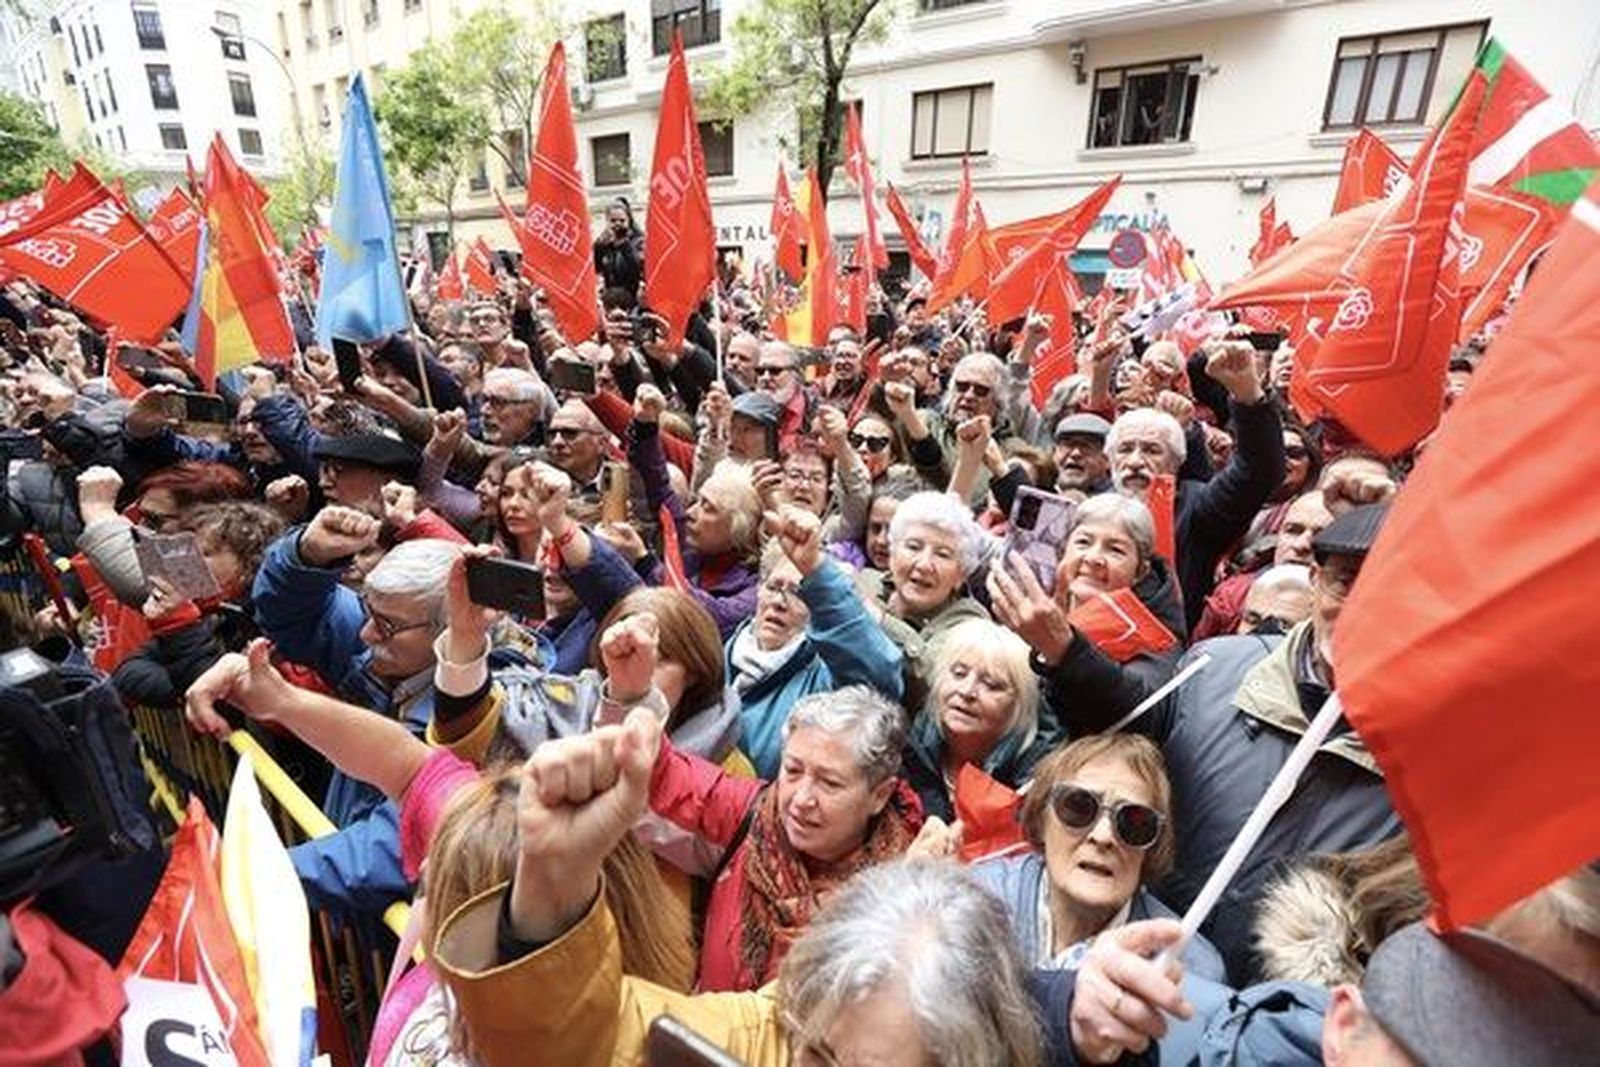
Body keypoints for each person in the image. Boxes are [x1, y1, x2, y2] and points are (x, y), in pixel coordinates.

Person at [1050, 503, 1402, 983]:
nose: (1363, 608)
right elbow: (1128, 729)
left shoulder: (1434, 755)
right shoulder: (1212, 669)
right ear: (1316, 579)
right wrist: (1062, 653)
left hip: (1279, 1026)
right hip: (1140, 973)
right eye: (1347, 581)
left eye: (1388, 589)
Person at [646, 685, 922, 991]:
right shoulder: (751, 813)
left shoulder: (906, 888)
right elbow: (660, 775)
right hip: (711, 1028)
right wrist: (631, 696)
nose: (802, 799)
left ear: (879, 795)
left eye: (829, 783)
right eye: (792, 770)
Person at [971, 734, 1227, 982]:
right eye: (1078, 806)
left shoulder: (1190, 970)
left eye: (1134, 822)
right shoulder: (969, 905)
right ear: (1040, 820)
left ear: (1152, 846)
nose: (1103, 836)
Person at [1105, 340, 1286, 628]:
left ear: (1176, 462)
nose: (1136, 461)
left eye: (1152, 450)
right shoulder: (1092, 507)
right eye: (1125, 449)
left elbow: (1260, 470)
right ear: (1110, 460)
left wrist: (1247, 395)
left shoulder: (1197, 507)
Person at [731, 507, 904, 778]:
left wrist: (815, 568)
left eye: (798, 593)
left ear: (820, 604)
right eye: (774, 587)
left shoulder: (827, 681)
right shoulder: (722, 653)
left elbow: (880, 678)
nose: (779, 602)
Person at [991, 493, 1185, 728]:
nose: (1093, 558)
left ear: (1139, 571)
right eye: (1083, 542)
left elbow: (1145, 713)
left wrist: (1065, 650)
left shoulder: (1157, 632)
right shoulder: (1036, 594)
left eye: (1115, 550)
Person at [901, 618, 1054, 822]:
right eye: (959, 674)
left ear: (1020, 706)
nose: (967, 691)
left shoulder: (1037, 780)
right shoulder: (902, 753)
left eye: (991, 685)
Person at [866, 490, 992, 703]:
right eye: (913, 547)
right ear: (893, 554)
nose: (924, 564)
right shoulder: (864, 582)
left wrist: (877, 619)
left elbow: (931, 675)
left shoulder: (969, 622)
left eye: (942, 554)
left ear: (961, 575)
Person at [1192, 489, 1332, 639]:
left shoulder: (1351, 614)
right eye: (1293, 531)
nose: (1301, 545)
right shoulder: (1232, 597)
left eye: (1321, 536)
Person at [1053, 414, 1113, 497]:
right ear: (1054, 453)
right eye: (1068, 445)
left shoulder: (1121, 505)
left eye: (1086, 447)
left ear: (1108, 459)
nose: (1075, 454)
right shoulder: (1037, 491)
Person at [593, 198, 645, 295]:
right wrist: (599, 247)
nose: (617, 224)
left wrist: (624, 245)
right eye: (613, 221)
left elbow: (638, 267)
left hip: (633, 296)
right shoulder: (604, 243)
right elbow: (595, 268)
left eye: (622, 220)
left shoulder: (639, 241)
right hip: (611, 296)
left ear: (628, 220)